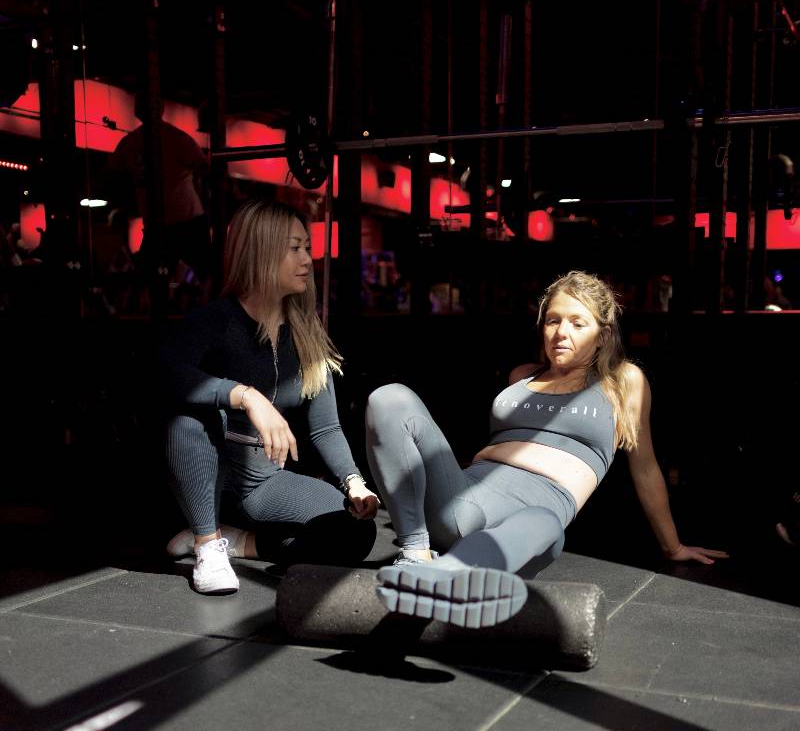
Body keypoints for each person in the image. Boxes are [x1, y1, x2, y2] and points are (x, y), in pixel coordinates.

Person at [365, 270, 728, 628]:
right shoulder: (522, 375)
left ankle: (451, 575)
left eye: (578, 323)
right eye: (553, 320)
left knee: (545, 524)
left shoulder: (624, 382)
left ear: (603, 336)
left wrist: (672, 546)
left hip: (532, 520)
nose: (561, 332)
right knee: (389, 398)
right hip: (465, 493)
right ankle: (416, 555)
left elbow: (645, 467)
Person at [160, 199, 380, 594]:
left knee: (355, 531)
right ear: (261, 251)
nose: (307, 259)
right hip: (209, 477)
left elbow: (326, 427)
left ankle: (236, 541)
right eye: (295, 248)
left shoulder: (305, 330)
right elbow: (168, 374)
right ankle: (207, 542)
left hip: (263, 484)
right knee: (190, 416)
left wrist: (354, 483)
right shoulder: (216, 320)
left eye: (307, 248)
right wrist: (246, 396)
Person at [106, 90, 212, 306]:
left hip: (168, 224)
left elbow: (112, 173)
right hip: (183, 220)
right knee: (206, 273)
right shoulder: (175, 138)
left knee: (151, 280)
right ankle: (215, 313)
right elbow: (205, 169)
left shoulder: (131, 143)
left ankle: (150, 316)